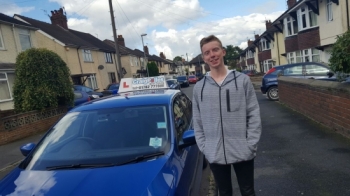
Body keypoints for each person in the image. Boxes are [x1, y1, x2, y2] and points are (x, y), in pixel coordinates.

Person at [192, 35, 262, 196]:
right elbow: (197, 120)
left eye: (215, 50)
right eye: (207, 52)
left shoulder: (242, 81)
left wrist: (250, 144)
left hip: (243, 149)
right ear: (204, 58)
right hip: (214, 151)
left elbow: (253, 114)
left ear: (223, 52)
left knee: (248, 191)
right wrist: (205, 147)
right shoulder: (199, 88)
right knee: (224, 192)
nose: (212, 55)